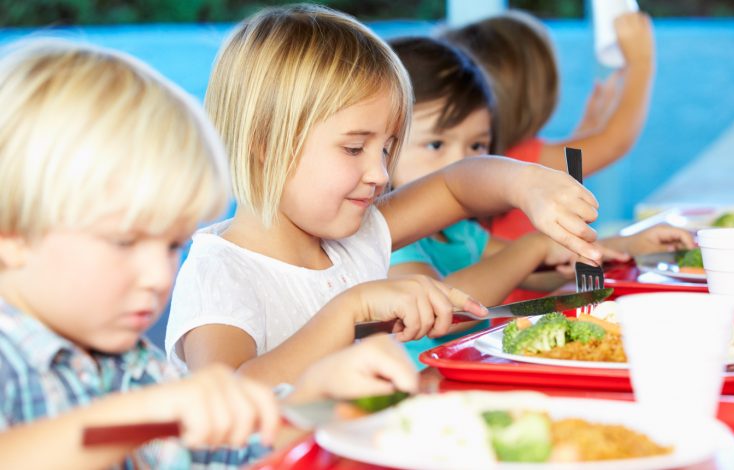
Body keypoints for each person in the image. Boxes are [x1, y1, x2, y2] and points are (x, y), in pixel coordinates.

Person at [0, 38, 418, 469]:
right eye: (124, 242)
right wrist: (142, 415)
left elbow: (236, 450)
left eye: (171, 246)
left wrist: (320, 400)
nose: (158, 277)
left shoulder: (133, 365)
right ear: (12, 235)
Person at [165, 4, 602, 386]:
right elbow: (229, 397)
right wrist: (349, 310)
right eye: (354, 148)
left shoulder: (356, 237)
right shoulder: (219, 273)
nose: (379, 173)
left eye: (388, 148)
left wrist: (527, 184)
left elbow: (457, 187)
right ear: (263, 142)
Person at [386, 36, 693, 365]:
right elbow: (446, 312)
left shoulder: (460, 232)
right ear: (384, 144)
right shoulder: (389, 240)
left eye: (476, 146)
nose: (462, 162)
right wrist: (533, 247)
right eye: (436, 145)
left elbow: (533, 272)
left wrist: (623, 246)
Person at [441, 9, 655, 241]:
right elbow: (614, 143)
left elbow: (568, 167)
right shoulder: (518, 161)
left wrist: (589, 127)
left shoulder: (488, 159)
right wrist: (641, 63)